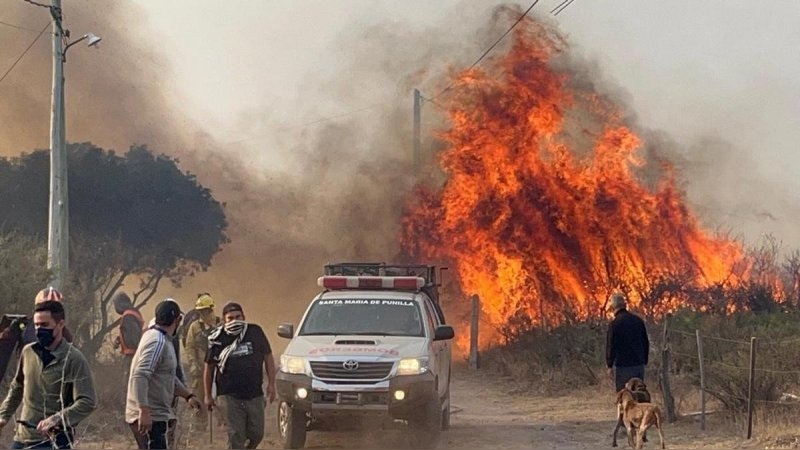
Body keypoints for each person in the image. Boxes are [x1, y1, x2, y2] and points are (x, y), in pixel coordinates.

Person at [0, 300, 97, 449]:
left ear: (60, 324)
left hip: (54, 440)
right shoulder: (28, 352)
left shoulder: (73, 359)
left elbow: (87, 401)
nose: (39, 330)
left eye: (45, 325)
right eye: (37, 325)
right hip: (22, 438)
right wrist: (3, 416)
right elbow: (17, 387)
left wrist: (57, 419)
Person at [126, 298, 201, 449]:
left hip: (155, 414)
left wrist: (187, 396)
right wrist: (144, 410)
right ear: (178, 320)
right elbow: (140, 375)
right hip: (149, 416)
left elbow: (166, 376)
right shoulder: (157, 342)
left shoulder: (159, 338)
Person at [204, 302, 276, 449]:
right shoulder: (218, 338)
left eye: (238, 317)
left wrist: (271, 384)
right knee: (236, 435)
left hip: (254, 393)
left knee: (257, 434)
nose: (235, 321)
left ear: (244, 317)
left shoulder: (255, 332)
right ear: (224, 320)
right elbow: (209, 367)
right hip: (228, 395)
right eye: (230, 318)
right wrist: (208, 395)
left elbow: (268, 356)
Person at [182, 293, 219, 430]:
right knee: (199, 396)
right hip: (200, 367)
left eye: (205, 311)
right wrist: (193, 364)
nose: (203, 314)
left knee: (221, 397)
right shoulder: (194, 327)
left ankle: (224, 424)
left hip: (218, 367)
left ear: (211, 309)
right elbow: (190, 346)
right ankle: (200, 425)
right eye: (200, 311)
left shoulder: (220, 324)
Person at [606, 292, 650, 392]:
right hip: (638, 364)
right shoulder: (638, 321)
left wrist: (609, 365)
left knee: (624, 395)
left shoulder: (614, 324)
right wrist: (644, 360)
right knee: (639, 394)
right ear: (625, 305)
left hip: (623, 366)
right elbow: (645, 342)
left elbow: (611, 346)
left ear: (613, 307)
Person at [112, 292, 144, 362]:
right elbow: (129, 332)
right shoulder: (132, 313)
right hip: (134, 354)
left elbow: (134, 336)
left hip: (132, 356)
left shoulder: (128, 316)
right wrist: (119, 339)